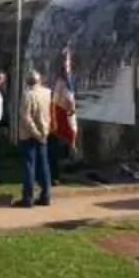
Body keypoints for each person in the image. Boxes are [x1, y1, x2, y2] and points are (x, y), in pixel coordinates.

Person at [14, 70, 52, 208]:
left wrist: (35, 133)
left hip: (30, 135)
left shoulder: (27, 95)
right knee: (44, 165)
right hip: (44, 132)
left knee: (29, 166)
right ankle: (46, 195)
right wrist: (43, 133)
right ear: (40, 80)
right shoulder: (47, 92)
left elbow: (26, 117)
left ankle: (28, 198)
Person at [49, 48, 78, 185]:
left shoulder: (71, 80)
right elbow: (56, 102)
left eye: (68, 64)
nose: (67, 68)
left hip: (67, 116)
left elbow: (71, 99)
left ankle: (62, 173)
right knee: (57, 149)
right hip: (60, 118)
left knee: (65, 148)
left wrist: (71, 109)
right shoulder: (60, 82)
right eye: (65, 65)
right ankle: (55, 175)